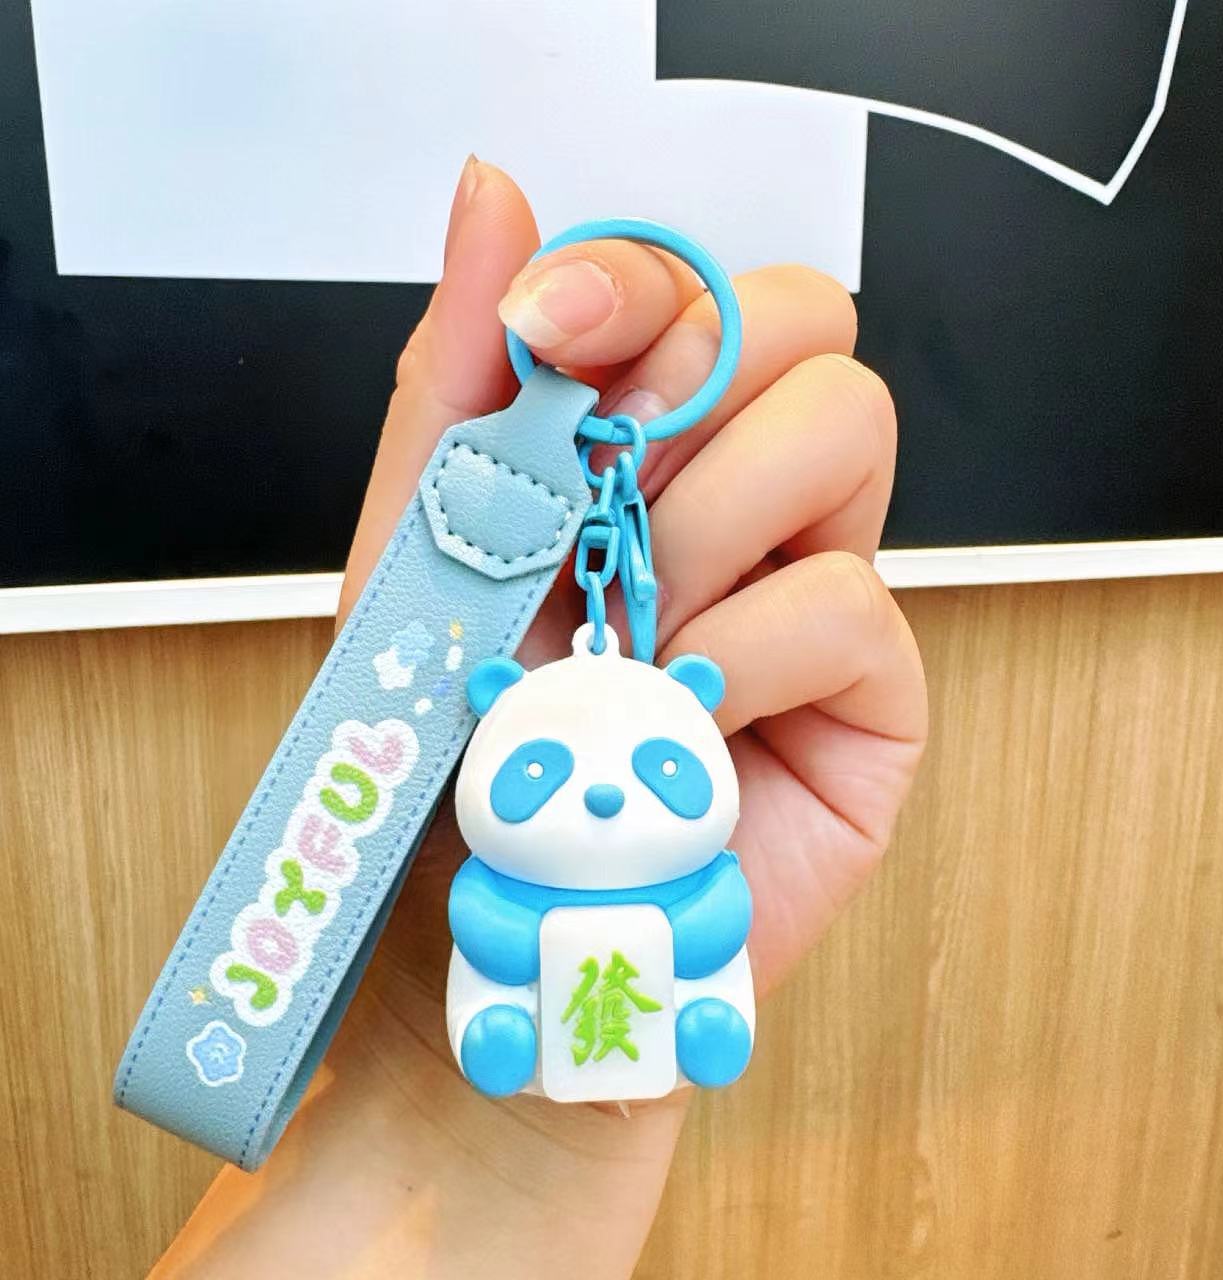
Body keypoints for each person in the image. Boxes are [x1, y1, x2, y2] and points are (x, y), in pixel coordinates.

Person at [152, 158, 928, 1279]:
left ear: (696, 710)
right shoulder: (490, 870)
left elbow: (709, 923)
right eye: (542, 776)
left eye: (656, 771)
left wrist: (517, 1124)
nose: (604, 793)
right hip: (501, 1029)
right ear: (492, 714)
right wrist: (443, 1058)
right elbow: (487, 928)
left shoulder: (687, 846)